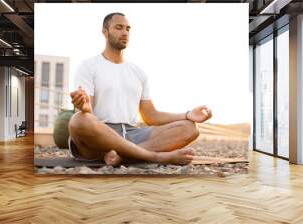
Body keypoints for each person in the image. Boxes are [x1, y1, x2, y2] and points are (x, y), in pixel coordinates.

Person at [69, 12, 212, 166]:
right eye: (119, 28)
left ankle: (121, 156)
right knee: (79, 120)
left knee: (190, 128)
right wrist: (85, 109)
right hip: (100, 135)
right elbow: (85, 116)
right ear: (105, 32)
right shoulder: (88, 66)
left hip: (132, 133)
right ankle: (156, 157)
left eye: (128, 29)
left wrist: (188, 114)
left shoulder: (138, 72)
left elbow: (151, 116)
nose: (125, 32)